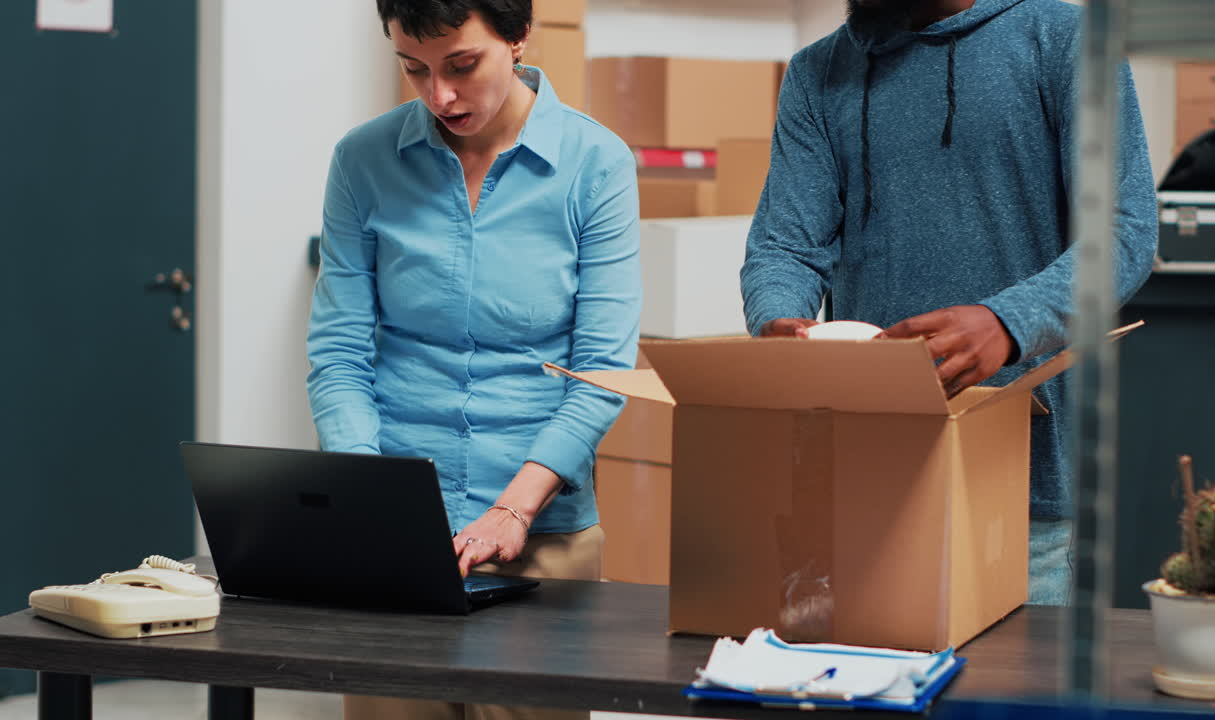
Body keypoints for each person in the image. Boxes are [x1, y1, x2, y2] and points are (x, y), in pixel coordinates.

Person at [740, 0, 1157, 605]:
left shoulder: (1065, 39)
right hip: (863, 475)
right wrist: (778, 319)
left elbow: (1124, 231)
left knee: (1010, 696)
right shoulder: (819, 71)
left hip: (1022, 485)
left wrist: (1008, 323)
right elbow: (785, 245)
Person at [306, 0, 640, 717]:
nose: (439, 96)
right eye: (413, 70)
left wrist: (513, 509)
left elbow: (603, 372)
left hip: (543, 542)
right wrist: (369, 493)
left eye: (461, 66)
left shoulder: (595, 164)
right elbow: (338, 352)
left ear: (518, 37)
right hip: (397, 546)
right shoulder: (361, 162)